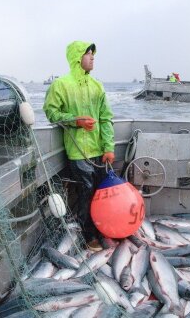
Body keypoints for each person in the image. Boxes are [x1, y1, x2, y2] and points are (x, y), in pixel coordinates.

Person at [43, 41, 115, 251]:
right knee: (87, 193)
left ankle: (104, 229)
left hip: (100, 151)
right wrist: (76, 120)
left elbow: (106, 118)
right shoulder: (61, 85)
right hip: (77, 152)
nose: (92, 58)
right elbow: (51, 113)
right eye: (88, 54)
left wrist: (109, 147)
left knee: (103, 193)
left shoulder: (97, 86)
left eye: (93, 54)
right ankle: (89, 236)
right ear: (77, 58)